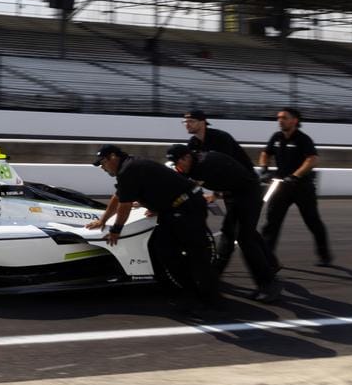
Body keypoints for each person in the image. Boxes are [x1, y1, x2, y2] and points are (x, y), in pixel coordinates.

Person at [86, 144, 219, 314]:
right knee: (164, 251)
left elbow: (125, 206)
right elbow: (119, 196)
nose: (103, 168)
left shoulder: (129, 169)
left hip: (187, 207)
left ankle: (211, 303)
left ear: (113, 157)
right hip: (173, 209)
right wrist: (103, 219)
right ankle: (191, 294)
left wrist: (116, 230)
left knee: (197, 257)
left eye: (103, 163)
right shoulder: (128, 167)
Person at [166, 144, 281, 303]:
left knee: (245, 239)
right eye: (174, 165)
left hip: (249, 195)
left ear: (186, 157)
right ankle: (213, 276)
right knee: (227, 234)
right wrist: (215, 193)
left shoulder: (202, 165)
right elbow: (223, 173)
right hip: (234, 193)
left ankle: (269, 284)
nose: (178, 167)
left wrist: (164, 206)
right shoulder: (195, 161)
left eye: (178, 163)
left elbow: (187, 192)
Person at [259, 108, 333, 266]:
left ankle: (324, 255)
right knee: (271, 223)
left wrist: (295, 176)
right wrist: (264, 169)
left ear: (294, 121)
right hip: (281, 187)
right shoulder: (276, 137)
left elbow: (312, 160)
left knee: (312, 221)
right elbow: (265, 153)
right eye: (278, 117)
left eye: (284, 118)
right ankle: (267, 257)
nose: (280, 120)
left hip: (302, 188)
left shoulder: (303, 139)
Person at [182, 109, 252, 272]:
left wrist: (214, 193)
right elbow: (193, 170)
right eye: (185, 121)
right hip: (227, 187)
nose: (187, 124)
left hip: (244, 185)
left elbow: (225, 167)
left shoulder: (220, 138)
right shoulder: (193, 143)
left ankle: (217, 268)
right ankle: (270, 264)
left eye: (191, 121)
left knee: (237, 231)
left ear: (202, 122)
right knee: (243, 228)